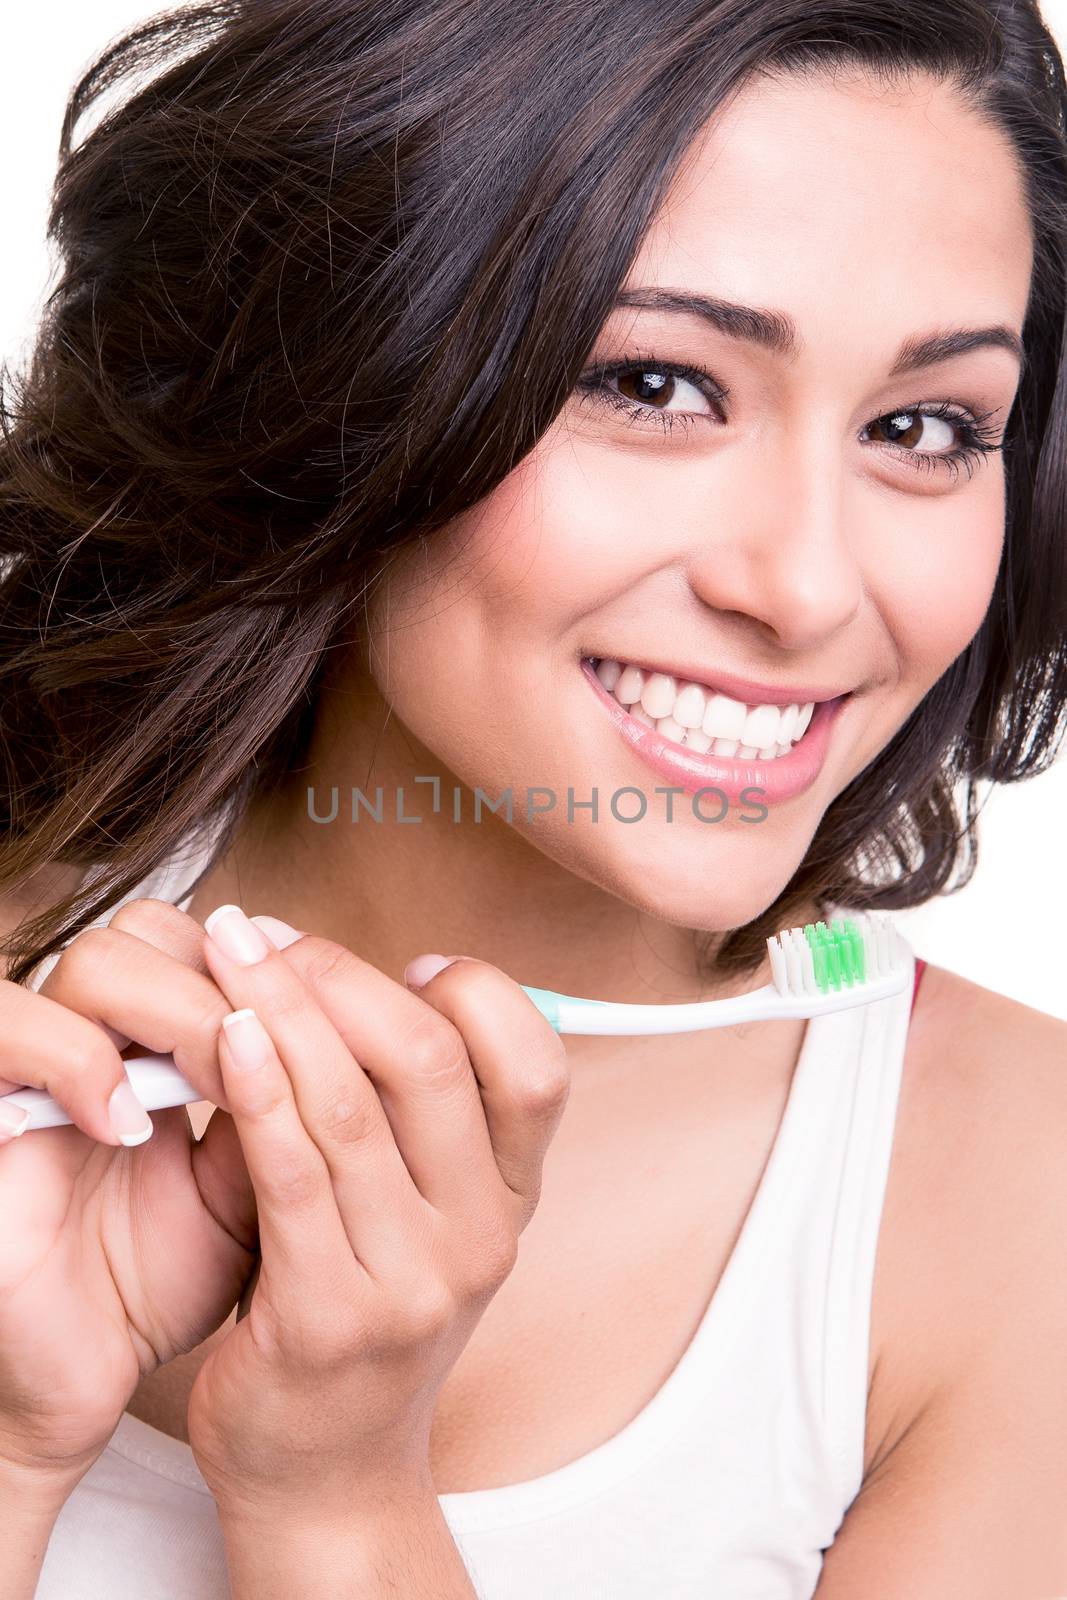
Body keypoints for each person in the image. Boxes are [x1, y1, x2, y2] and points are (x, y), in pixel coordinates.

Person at [0, 0, 1065, 1595]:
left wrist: (340, 1493)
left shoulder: (1024, 1204)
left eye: (922, 429)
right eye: (655, 385)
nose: (808, 584)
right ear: (347, 376)